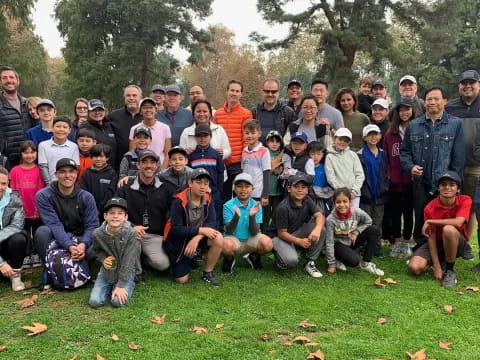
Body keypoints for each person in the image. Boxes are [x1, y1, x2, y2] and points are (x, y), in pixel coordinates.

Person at [400, 86, 465, 247]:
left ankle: (443, 249)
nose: (433, 102)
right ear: (425, 102)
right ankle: (421, 249)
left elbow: (458, 157)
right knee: (421, 215)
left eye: (436, 99)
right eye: (429, 99)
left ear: (445, 101)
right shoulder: (414, 125)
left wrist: (453, 183)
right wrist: (410, 167)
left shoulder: (455, 124)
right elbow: (405, 151)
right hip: (420, 181)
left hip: (444, 182)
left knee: (443, 217)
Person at [116, 150, 175, 274]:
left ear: (157, 165)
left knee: (163, 264)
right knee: (119, 258)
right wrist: (131, 227)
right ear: (138, 165)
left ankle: (143, 260)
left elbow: (174, 211)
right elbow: (116, 212)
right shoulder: (125, 186)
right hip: (130, 232)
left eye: (152, 162)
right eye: (145, 162)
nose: (149, 165)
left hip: (154, 236)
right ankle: (133, 263)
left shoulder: (166, 187)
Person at [407, 171, 471, 287]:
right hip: (436, 242)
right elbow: (431, 239)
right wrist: (436, 267)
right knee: (414, 268)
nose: (447, 187)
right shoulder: (430, 207)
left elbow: (458, 222)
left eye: (452, 185)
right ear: (438, 188)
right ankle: (439, 263)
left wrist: (430, 221)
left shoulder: (465, 200)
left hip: (457, 242)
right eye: (443, 184)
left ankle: (449, 271)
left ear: (458, 189)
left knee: (449, 229)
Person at [163, 168, 224, 286]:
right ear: (190, 183)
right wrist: (200, 230)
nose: (202, 186)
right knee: (182, 280)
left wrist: (197, 237)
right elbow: (176, 229)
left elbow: (212, 223)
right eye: (199, 182)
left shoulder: (208, 198)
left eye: (206, 183)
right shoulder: (179, 201)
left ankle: (207, 272)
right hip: (178, 241)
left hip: (196, 237)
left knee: (218, 237)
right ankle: (183, 261)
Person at [34, 158, 99, 266]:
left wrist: (83, 245)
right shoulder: (43, 195)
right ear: (56, 174)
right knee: (42, 232)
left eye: (71, 171)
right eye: (63, 171)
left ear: (76, 173)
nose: (67, 175)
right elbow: (54, 224)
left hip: (80, 238)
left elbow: (92, 225)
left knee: (99, 237)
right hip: (56, 238)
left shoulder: (86, 197)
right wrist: (69, 245)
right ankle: (50, 268)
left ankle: (78, 264)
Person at [446, 70, 480, 269]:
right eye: (464, 83)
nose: (468, 86)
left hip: (477, 166)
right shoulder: (451, 107)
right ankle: (461, 244)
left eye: (472, 83)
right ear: (459, 86)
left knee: (477, 207)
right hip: (456, 165)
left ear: (478, 84)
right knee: (459, 205)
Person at [268, 174, 325, 277]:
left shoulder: (307, 200)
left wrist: (317, 229)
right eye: (296, 187)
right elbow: (281, 233)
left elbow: (320, 216)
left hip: (296, 231)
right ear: (289, 189)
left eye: (303, 187)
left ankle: (310, 262)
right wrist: (299, 241)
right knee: (291, 261)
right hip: (278, 237)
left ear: (307, 190)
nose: (300, 190)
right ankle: (279, 255)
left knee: (322, 229)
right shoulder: (283, 207)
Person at [89, 197, 138, 308]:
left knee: (117, 302)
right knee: (95, 302)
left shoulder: (131, 234)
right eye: (111, 213)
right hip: (107, 271)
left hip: (125, 270)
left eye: (120, 213)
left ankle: (128, 282)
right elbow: (96, 250)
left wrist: (120, 285)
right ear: (105, 216)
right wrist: (103, 259)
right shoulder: (97, 233)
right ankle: (110, 286)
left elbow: (129, 260)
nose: (115, 216)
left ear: (125, 217)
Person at [325, 187, 384, 275]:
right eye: (338, 202)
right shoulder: (330, 219)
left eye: (345, 201)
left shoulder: (357, 212)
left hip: (352, 240)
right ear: (334, 203)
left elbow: (369, 221)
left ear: (350, 202)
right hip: (338, 244)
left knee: (374, 230)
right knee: (353, 261)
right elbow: (329, 242)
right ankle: (337, 260)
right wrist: (331, 264)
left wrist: (356, 232)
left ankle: (365, 263)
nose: (342, 205)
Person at [222, 173, 273, 273]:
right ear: (234, 188)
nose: (243, 189)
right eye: (239, 186)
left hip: (250, 239)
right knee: (225, 245)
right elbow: (229, 230)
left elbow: (254, 232)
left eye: (247, 186)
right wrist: (236, 218)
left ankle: (253, 257)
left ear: (252, 189)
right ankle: (229, 259)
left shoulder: (256, 205)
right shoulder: (228, 205)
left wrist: (252, 217)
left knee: (268, 244)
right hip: (234, 239)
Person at [383, 97, 415, 257]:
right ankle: (396, 241)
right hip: (395, 180)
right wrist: (388, 174)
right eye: (401, 110)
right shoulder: (391, 133)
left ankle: (407, 241)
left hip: (412, 179)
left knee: (409, 212)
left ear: (413, 110)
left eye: (407, 109)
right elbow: (387, 157)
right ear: (397, 112)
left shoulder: (417, 129)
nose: (404, 113)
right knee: (395, 212)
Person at [213, 80, 253, 201]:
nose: (234, 93)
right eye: (232, 90)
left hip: (238, 163)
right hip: (221, 162)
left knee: (240, 196)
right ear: (227, 92)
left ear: (241, 94)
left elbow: (247, 138)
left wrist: (244, 159)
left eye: (237, 91)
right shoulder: (218, 114)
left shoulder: (246, 114)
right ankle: (224, 220)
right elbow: (214, 136)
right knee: (222, 196)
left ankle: (240, 220)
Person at [9, 141, 44, 266]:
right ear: (21, 154)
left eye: (32, 152)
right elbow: (12, 191)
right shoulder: (15, 171)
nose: (29, 155)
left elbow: (41, 190)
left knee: (36, 232)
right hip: (21, 210)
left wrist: (37, 209)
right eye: (26, 152)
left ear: (36, 153)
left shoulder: (39, 170)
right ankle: (25, 255)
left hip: (35, 209)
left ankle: (36, 255)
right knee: (23, 233)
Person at [357, 124, 389, 256]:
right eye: (370, 135)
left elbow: (388, 172)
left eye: (376, 134)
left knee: (377, 221)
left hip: (380, 194)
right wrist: (363, 190)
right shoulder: (360, 154)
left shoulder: (383, 154)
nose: (373, 137)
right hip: (366, 195)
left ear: (380, 136)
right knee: (365, 221)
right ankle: (363, 244)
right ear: (364, 137)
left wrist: (386, 186)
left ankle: (375, 246)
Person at [188, 124, 224, 226]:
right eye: (199, 136)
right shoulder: (191, 156)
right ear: (195, 138)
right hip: (196, 194)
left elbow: (220, 173)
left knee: (215, 217)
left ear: (211, 136)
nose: (202, 138)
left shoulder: (216, 154)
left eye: (205, 136)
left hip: (213, 192)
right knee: (199, 217)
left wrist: (218, 190)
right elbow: (190, 175)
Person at [0, 166, 28, 291]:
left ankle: (15, 275)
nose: (1, 187)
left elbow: (17, 225)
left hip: (6, 241)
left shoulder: (14, 199)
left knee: (19, 239)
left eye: (3, 183)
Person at [325, 128, 365, 209]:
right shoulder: (329, 157)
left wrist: (354, 191)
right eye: (340, 139)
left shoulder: (353, 155)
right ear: (334, 138)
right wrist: (342, 192)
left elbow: (360, 175)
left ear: (349, 143)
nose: (343, 142)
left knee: (353, 219)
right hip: (339, 195)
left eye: (346, 141)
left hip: (354, 195)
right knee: (339, 218)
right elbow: (330, 177)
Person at [0, 66, 33, 165]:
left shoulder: (27, 103)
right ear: (0, 82)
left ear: (18, 81)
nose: (8, 80)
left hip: (29, 158)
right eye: (4, 78)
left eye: (11, 77)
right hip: (6, 162)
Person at [130, 97, 171, 169]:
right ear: (140, 111)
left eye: (151, 107)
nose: (148, 110)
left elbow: (168, 153)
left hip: (159, 169)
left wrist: (162, 171)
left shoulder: (165, 128)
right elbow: (132, 153)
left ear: (156, 110)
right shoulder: (134, 129)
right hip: (142, 170)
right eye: (145, 108)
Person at [108, 85, 143, 170]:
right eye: (128, 95)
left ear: (141, 97)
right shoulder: (114, 115)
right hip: (117, 165)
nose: (131, 98)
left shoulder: (146, 116)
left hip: (141, 164)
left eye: (134, 95)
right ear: (124, 97)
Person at [80, 144, 118, 221]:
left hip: (106, 211)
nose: (98, 159)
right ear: (91, 157)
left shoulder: (112, 173)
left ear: (107, 158)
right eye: (95, 156)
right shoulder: (86, 173)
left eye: (101, 156)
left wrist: (100, 208)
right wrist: (92, 208)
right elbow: (83, 191)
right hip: (89, 210)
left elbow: (111, 192)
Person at [38, 116, 79, 186]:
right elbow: (43, 167)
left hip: (68, 184)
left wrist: (69, 183)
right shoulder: (43, 145)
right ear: (52, 128)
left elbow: (76, 167)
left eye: (65, 127)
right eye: (58, 126)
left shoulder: (74, 147)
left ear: (69, 131)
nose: (61, 129)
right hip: (50, 185)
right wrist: (50, 185)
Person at [80, 99, 117, 168]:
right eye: (94, 110)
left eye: (100, 110)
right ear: (88, 112)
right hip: (95, 169)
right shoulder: (85, 127)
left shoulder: (109, 125)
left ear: (104, 111)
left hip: (112, 169)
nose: (97, 112)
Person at [241, 120, 270, 206]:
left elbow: (266, 174)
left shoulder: (264, 151)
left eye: (253, 133)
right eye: (247, 133)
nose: (249, 136)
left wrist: (265, 195)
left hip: (257, 193)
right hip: (245, 192)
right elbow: (243, 171)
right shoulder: (244, 151)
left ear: (259, 134)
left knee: (256, 218)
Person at [264, 130, 284, 232]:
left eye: (277, 142)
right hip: (266, 191)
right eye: (272, 141)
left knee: (276, 214)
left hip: (277, 191)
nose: (275, 144)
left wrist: (279, 170)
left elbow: (281, 170)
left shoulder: (283, 155)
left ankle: (274, 234)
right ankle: (264, 233)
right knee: (266, 215)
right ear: (267, 143)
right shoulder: (264, 153)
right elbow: (270, 167)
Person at [308, 141, 333, 216]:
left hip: (324, 198)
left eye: (318, 154)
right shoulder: (306, 166)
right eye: (312, 154)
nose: (315, 156)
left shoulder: (325, 166)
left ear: (323, 155)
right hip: (310, 198)